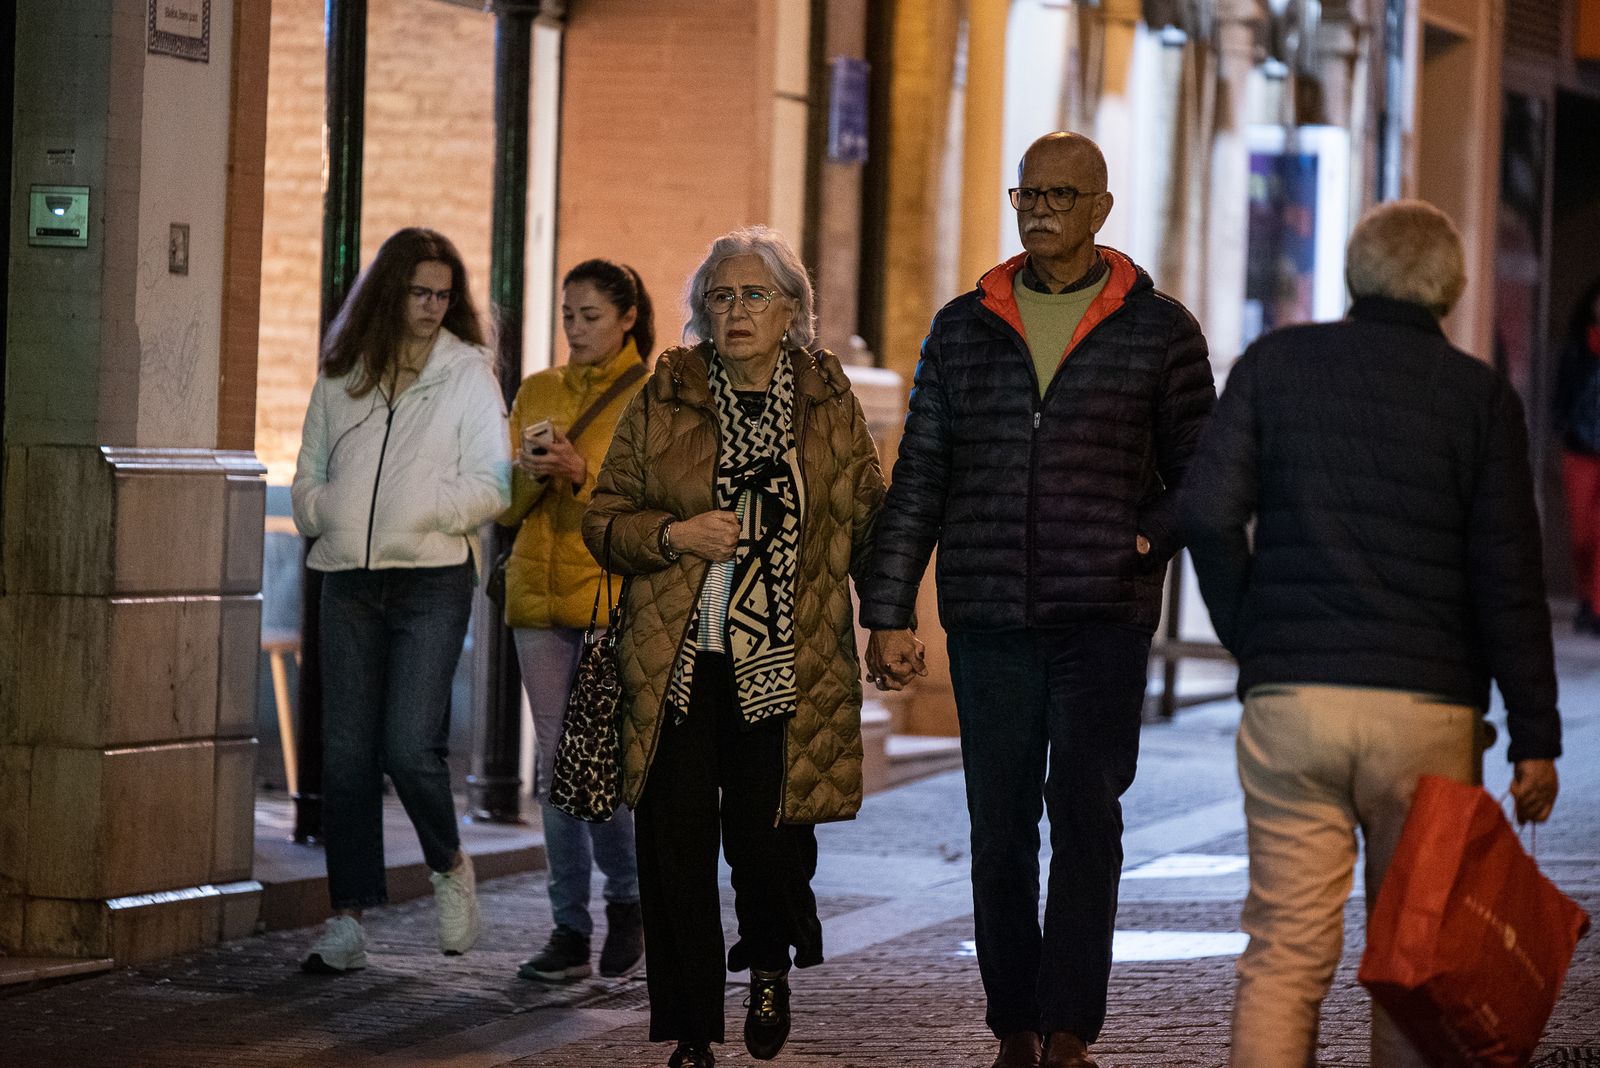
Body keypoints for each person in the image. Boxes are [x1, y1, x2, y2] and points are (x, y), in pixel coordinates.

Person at [1178, 200, 1562, 1067]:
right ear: (1453, 290)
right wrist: (1535, 737)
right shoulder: (1480, 399)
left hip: (1294, 703)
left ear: (1353, 274)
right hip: (1427, 715)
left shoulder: (1275, 366)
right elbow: (1510, 578)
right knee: (1414, 958)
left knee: (1282, 954)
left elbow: (1205, 511)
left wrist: (1252, 635)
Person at [860, 132, 1216, 1068]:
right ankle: (1014, 1024)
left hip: (1102, 615)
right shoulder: (964, 324)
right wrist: (889, 608)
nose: (1041, 209)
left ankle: (1070, 1028)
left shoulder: (1159, 329)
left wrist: (1148, 537)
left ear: (1101, 207)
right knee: (999, 826)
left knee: (1087, 816)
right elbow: (920, 475)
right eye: (1028, 193)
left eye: (1062, 193)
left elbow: (1207, 474)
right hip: (989, 615)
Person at [583, 225, 885, 1068]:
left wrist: (891, 621)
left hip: (788, 664)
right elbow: (603, 520)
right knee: (674, 850)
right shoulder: (667, 394)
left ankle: (770, 963)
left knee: (768, 841)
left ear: (793, 310)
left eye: (756, 295)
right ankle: (689, 1030)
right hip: (677, 663)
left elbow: (870, 522)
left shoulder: (828, 403)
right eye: (721, 297)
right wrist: (676, 533)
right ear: (701, 313)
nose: (737, 310)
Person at [291, 227, 511, 973]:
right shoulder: (344, 369)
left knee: (408, 748)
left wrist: (426, 509)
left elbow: (494, 481)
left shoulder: (466, 373)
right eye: (420, 291)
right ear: (391, 290)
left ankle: (449, 867)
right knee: (346, 757)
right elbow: (307, 470)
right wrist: (327, 511)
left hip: (431, 577)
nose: (433, 305)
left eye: (445, 294)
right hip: (347, 575)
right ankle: (347, 922)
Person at [500, 259, 652, 982]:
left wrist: (582, 473)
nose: (576, 328)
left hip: (608, 600)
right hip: (537, 596)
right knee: (556, 766)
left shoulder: (650, 395)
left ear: (627, 317)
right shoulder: (538, 389)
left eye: (591, 315)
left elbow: (650, 508)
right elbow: (500, 505)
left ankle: (628, 899)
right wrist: (529, 474)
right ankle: (568, 927)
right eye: (567, 315)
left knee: (601, 764)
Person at [1553, 279, 1600, 634]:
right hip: (1580, 449)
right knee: (1582, 533)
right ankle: (1586, 597)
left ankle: (1596, 607)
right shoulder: (1576, 349)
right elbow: (1562, 396)